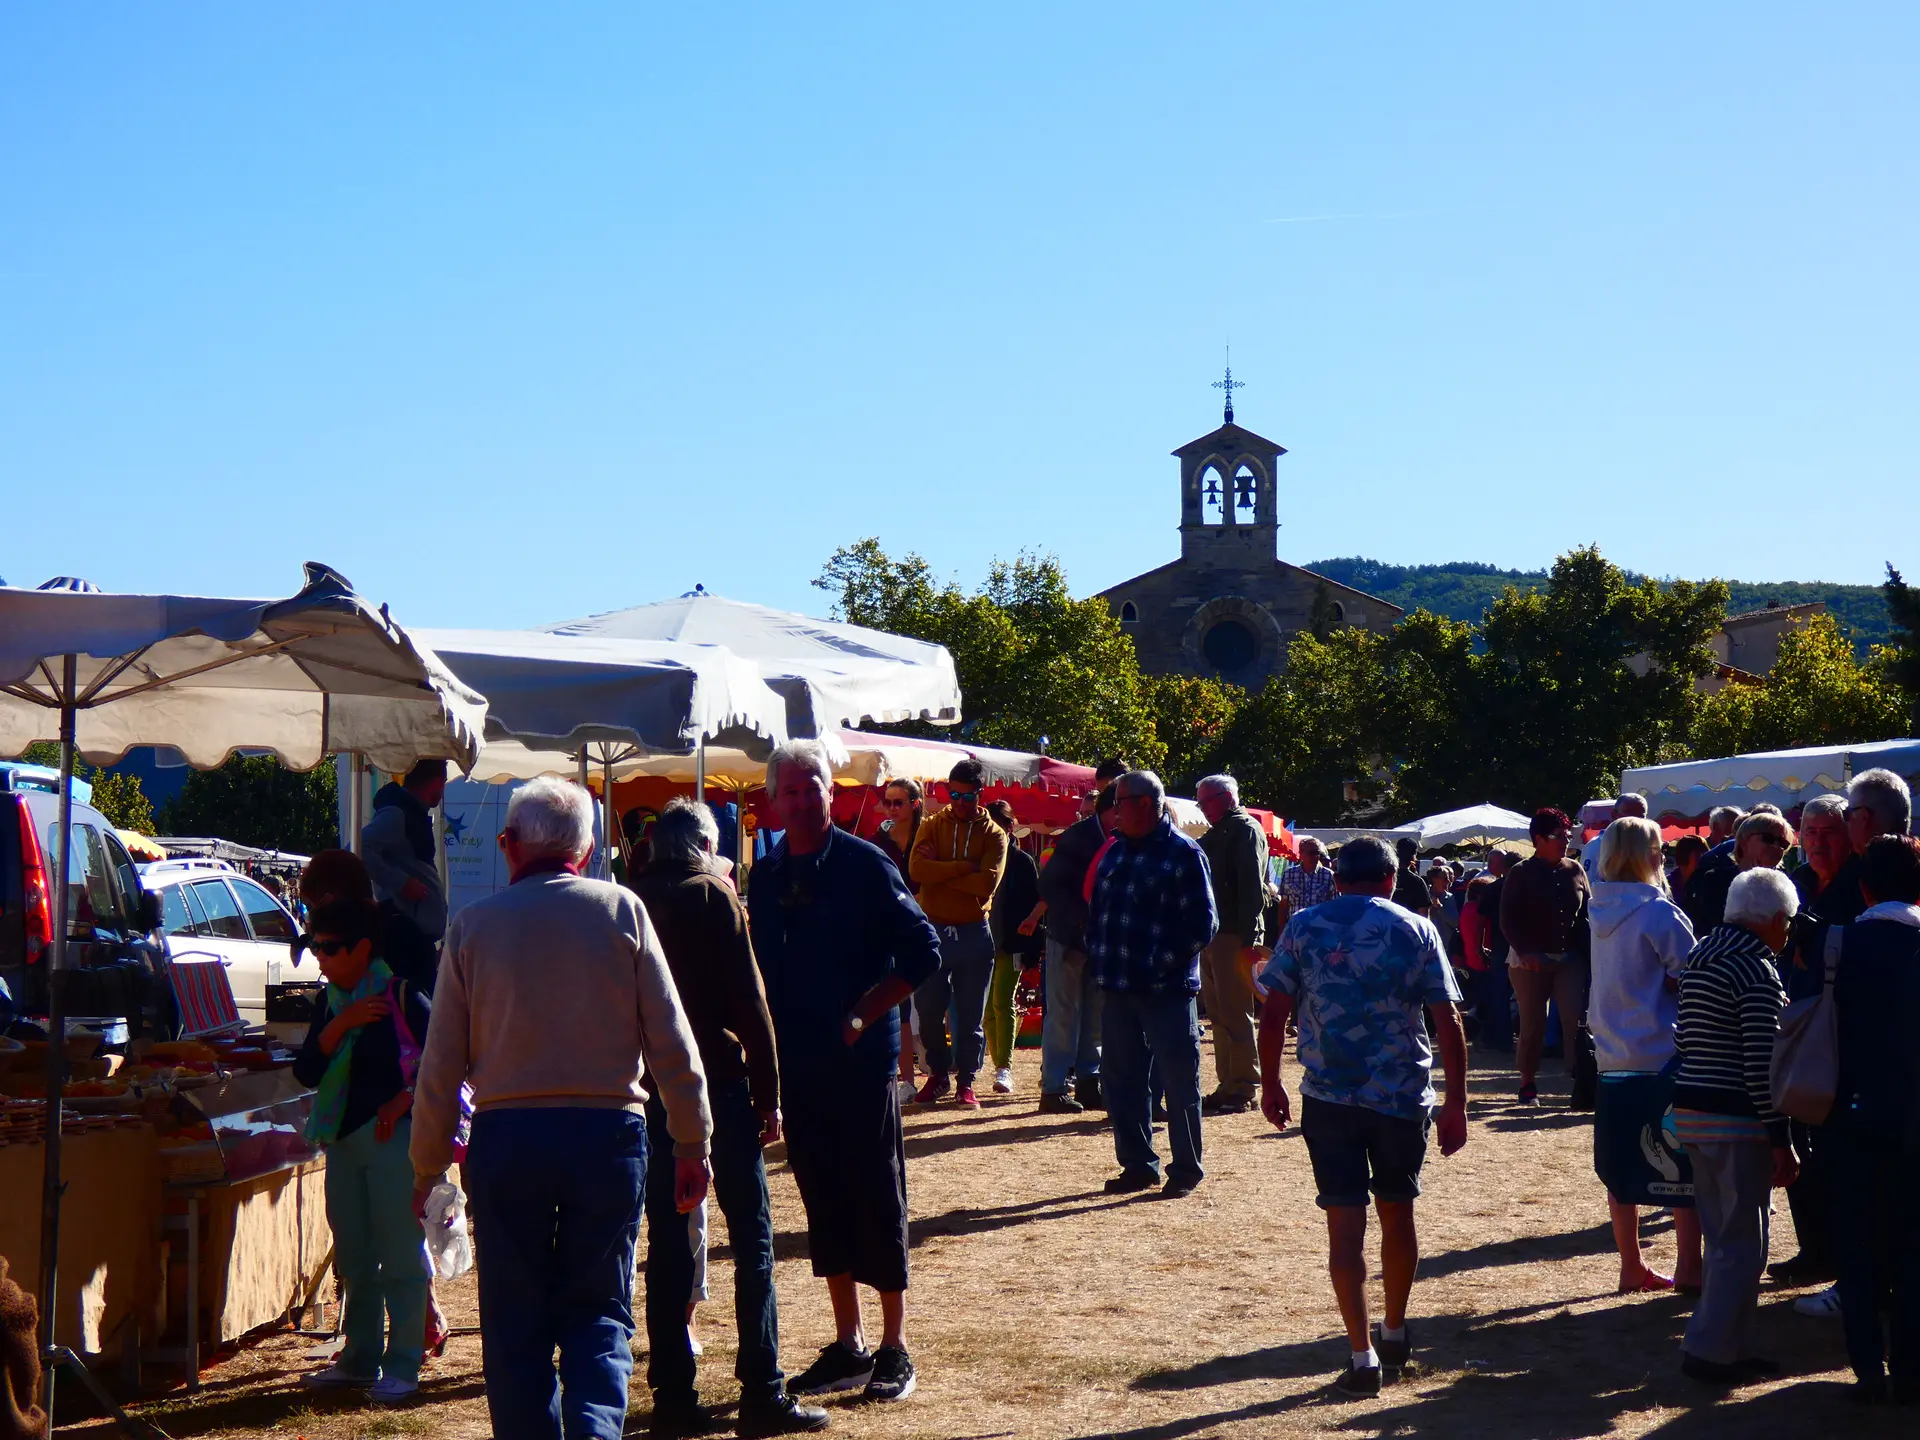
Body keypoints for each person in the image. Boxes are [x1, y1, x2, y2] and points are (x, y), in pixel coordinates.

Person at [410, 777, 713, 1440]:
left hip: (507, 1138)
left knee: (514, 1315)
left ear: (506, 845)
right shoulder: (622, 912)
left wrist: (428, 1166)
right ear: (590, 846)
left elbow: (439, 1069)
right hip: (606, 1135)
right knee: (600, 1307)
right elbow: (671, 1040)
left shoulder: (473, 928)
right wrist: (692, 1142)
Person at [748, 741, 941, 1406]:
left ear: (833, 795)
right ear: (773, 800)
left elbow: (924, 952)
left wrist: (863, 1014)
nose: (802, 801)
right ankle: (848, 1342)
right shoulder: (767, 873)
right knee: (821, 1195)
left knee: (875, 1191)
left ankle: (894, 1345)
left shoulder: (866, 864)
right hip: (799, 1062)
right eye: (790, 792)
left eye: (812, 789)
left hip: (861, 1062)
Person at [628, 800, 825, 1437]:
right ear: (706, 846)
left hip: (651, 1088)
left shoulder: (629, 901)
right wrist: (770, 1095)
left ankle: (673, 1395)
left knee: (667, 1241)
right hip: (719, 1084)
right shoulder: (714, 897)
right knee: (752, 1241)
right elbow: (751, 1003)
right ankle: (762, 1389)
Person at [1256, 836, 1468, 1397]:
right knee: (1398, 1213)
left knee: (1344, 1226)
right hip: (1399, 1096)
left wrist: (1271, 1080)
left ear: (1336, 877)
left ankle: (1360, 1352)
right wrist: (1457, 1102)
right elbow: (1447, 1019)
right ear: (1392, 878)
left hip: (1328, 1096)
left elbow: (1274, 1009)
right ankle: (1394, 1328)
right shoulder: (1417, 928)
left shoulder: (1303, 927)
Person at [292, 897, 433, 1404]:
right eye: (315, 948)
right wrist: (342, 1021)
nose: (320, 958)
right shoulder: (331, 1001)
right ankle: (359, 1357)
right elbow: (307, 1070)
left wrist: (404, 1099)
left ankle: (403, 1363)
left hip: (392, 1142)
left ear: (363, 948)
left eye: (329, 948)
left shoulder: (400, 994)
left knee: (398, 1254)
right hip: (344, 1142)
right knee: (354, 1257)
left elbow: (445, 1061)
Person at [1671, 868, 1801, 1386]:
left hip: (1693, 1111)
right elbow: (1761, 1062)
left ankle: (1720, 1342)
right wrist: (1781, 1138)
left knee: (1721, 1234)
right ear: (1772, 919)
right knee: (1743, 1241)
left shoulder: (1701, 956)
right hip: (1735, 1118)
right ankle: (1714, 1350)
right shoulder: (1755, 969)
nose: (1788, 932)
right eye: (1787, 923)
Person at [1792, 769, 1914, 1320]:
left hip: (1868, 1066)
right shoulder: (1884, 870)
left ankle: (1862, 1289)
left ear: (1860, 821)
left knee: (1869, 1188)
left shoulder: (1873, 879)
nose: (1823, 837)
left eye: (1838, 822)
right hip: (1889, 1064)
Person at [1584, 818, 1702, 1294]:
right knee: (1681, 1166)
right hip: (1661, 1052)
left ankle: (1631, 1264)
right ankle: (1690, 1268)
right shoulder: (1659, 913)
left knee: (1621, 1164)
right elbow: (1693, 975)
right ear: (1652, 856)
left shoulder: (1598, 911)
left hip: (1611, 1052)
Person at [1086, 770, 1217, 1198]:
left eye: (1119, 802)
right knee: (1121, 1079)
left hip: (1166, 990)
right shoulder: (1115, 851)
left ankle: (1186, 1169)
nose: (1113, 810)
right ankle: (1139, 1165)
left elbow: (1203, 924)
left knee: (1179, 1082)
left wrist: (1158, 965)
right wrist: (1098, 956)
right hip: (1118, 988)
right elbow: (1099, 911)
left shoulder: (1183, 853)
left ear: (1145, 803)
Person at [1825, 835, 1920, 1403]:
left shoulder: (1839, 945)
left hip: (1849, 1113)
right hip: (1913, 1117)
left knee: (1859, 1247)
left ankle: (1866, 1366)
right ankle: (1911, 1369)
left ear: (1863, 886)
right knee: (1914, 1246)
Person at [908, 760, 1009, 1109]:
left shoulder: (995, 834)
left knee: (970, 1015)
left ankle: (966, 1081)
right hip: (933, 930)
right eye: (953, 794)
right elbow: (916, 869)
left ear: (980, 794)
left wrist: (941, 872)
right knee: (929, 1008)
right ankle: (938, 1075)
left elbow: (987, 883)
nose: (959, 802)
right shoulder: (932, 825)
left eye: (967, 796)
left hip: (973, 933)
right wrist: (963, 867)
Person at [1499, 809, 1592, 1104]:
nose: (1565, 840)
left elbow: (1587, 913)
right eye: (1557, 836)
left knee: (1574, 1019)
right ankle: (1527, 1083)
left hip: (1569, 957)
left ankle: (1580, 1079)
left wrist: (1591, 953)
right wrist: (1525, 951)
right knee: (1533, 1022)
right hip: (1530, 960)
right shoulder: (1521, 872)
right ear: (1538, 839)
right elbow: (1507, 918)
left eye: (1567, 835)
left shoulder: (1575, 869)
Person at [1194, 774, 1270, 1115]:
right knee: (1220, 1014)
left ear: (1224, 798)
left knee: (1236, 1013)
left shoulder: (1245, 829)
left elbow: (1252, 887)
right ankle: (1228, 1084)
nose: (1201, 808)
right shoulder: (1220, 832)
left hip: (1233, 935)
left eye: (1204, 801)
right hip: (1215, 933)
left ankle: (1244, 1086)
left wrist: (1249, 939)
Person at [1035, 788, 1111, 1114]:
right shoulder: (1076, 838)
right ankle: (1053, 1088)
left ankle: (1089, 1082)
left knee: (1095, 1013)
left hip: (1098, 940)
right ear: (1108, 811)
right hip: (1067, 938)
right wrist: (1080, 922)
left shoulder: (1121, 839)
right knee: (1063, 1013)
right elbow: (1050, 886)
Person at [360, 759, 449, 992]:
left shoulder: (411, 813)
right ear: (438, 782)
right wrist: (401, 883)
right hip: (405, 939)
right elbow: (360, 847)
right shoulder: (397, 814)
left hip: (416, 938)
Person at [983, 799, 1042, 1096]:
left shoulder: (1021, 861)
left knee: (1002, 1001)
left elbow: (1035, 900)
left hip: (1011, 942)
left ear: (1010, 826)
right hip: (982, 942)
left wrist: (1030, 942)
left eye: (998, 824)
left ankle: (1003, 1068)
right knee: (987, 1011)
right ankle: (999, 1063)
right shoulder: (982, 857)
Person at [1684, 812, 1794, 937]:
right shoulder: (1714, 881)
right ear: (1743, 841)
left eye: (1783, 844)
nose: (1776, 846)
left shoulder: (1785, 888)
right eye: (1768, 838)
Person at [1470, 849, 1517, 1053]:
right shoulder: (1527, 888)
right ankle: (1530, 1038)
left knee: (1499, 995)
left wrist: (1479, 946)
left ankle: (1502, 1039)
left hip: (1501, 947)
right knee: (1532, 996)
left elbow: (1480, 921)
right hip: (1524, 947)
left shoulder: (1494, 888)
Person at [1277, 836, 1336, 928]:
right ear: (1301, 853)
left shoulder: (1329, 876)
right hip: (1295, 929)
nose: (1316, 856)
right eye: (1311, 853)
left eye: (1317, 853)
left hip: (1319, 930)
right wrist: (1282, 931)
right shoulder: (1288, 874)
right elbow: (1283, 906)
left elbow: (1335, 907)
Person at [1391, 837, 1432, 917]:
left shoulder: (1385, 876)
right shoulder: (1417, 882)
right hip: (1408, 926)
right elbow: (1424, 914)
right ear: (1414, 856)